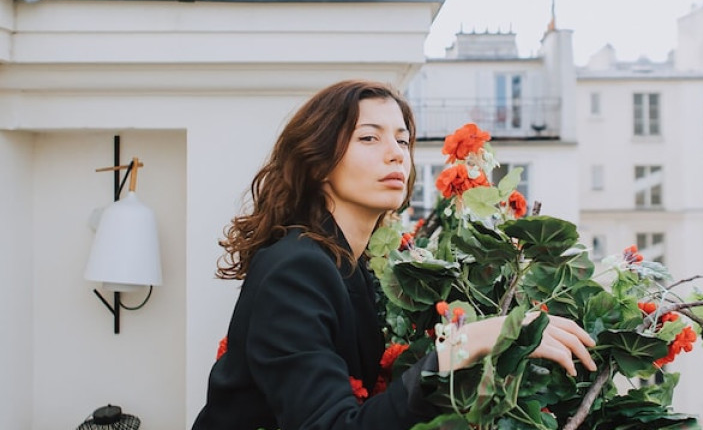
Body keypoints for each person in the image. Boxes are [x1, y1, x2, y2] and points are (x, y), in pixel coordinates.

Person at [192, 79, 596, 430]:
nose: (397, 154)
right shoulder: (296, 269)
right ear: (318, 164)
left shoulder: (348, 266)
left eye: (402, 140)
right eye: (369, 138)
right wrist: (469, 341)